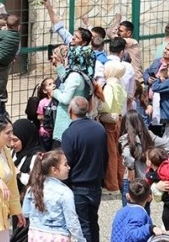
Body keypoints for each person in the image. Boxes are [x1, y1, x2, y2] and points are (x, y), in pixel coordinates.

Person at [60, 96, 107, 242]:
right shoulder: (99, 129)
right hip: (95, 184)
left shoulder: (70, 133)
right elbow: (106, 157)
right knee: (93, 223)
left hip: (78, 186)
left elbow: (67, 162)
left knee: (83, 226)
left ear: (70, 110)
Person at [23, 149, 85, 242]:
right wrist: (80, 239)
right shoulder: (65, 192)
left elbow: (26, 212)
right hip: (59, 235)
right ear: (54, 170)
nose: (69, 167)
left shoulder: (33, 188)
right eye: (65, 164)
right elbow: (72, 222)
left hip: (35, 235)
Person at [119, 110, 169, 210]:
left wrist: (131, 168)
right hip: (147, 179)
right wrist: (155, 160)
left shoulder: (126, 138)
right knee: (144, 210)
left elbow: (127, 155)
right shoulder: (149, 135)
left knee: (129, 210)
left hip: (131, 180)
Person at [100, 61, 127, 192]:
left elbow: (106, 106)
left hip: (110, 121)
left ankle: (112, 183)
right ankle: (121, 179)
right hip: (119, 119)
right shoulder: (119, 84)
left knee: (111, 152)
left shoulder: (109, 86)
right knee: (118, 151)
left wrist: (98, 108)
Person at [11, 119, 45, 194]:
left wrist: (18, 173)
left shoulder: (37, 157)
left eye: (15, 140)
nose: (12, 144)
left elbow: (36, 183)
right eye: (10, 140)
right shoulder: (14, 152)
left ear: (25, 138)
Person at [35, 77, 56, 149]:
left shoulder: (58, 100)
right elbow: (39, 116)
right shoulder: (43, 102)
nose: (53, 85)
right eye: (50, 84)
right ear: (44, 90)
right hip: (45, 131)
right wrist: (47, 116)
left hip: (56, 130)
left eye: (54, 83)